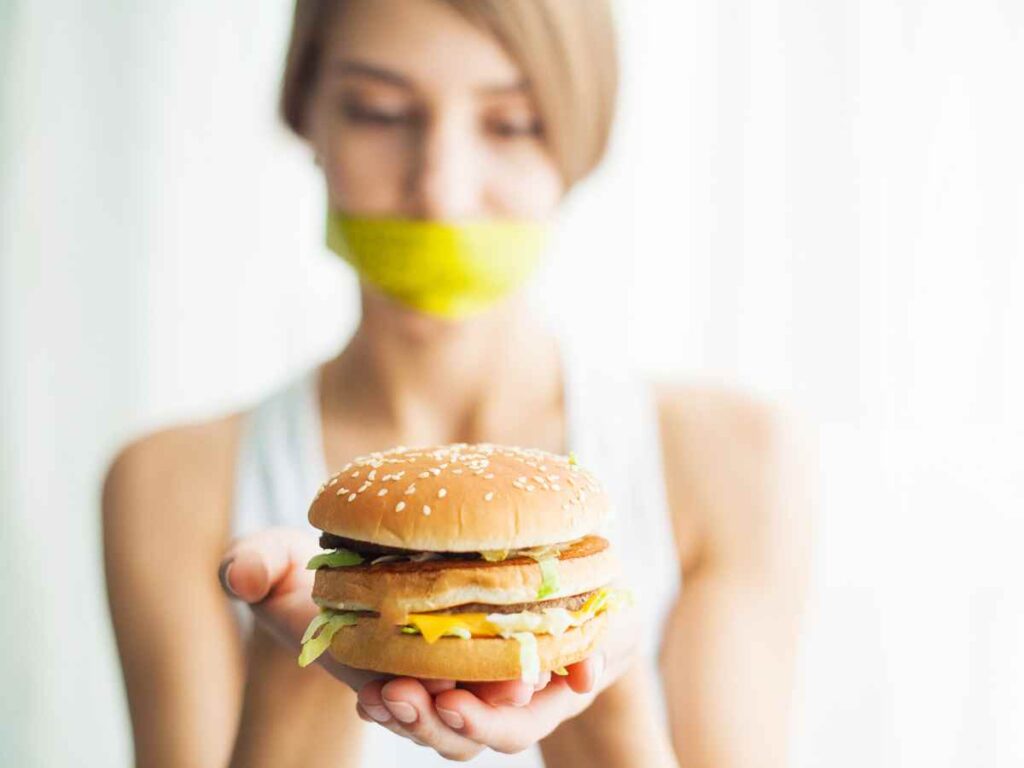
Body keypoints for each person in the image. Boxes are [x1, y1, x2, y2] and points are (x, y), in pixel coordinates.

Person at [103, 1, 810, 765]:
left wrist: (595, 684)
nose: (440, 191)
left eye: (511, 124)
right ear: (305, 111)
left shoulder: (736, 461)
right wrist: (307, 646)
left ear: (583, 136)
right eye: (380, 112)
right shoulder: (166, 484)